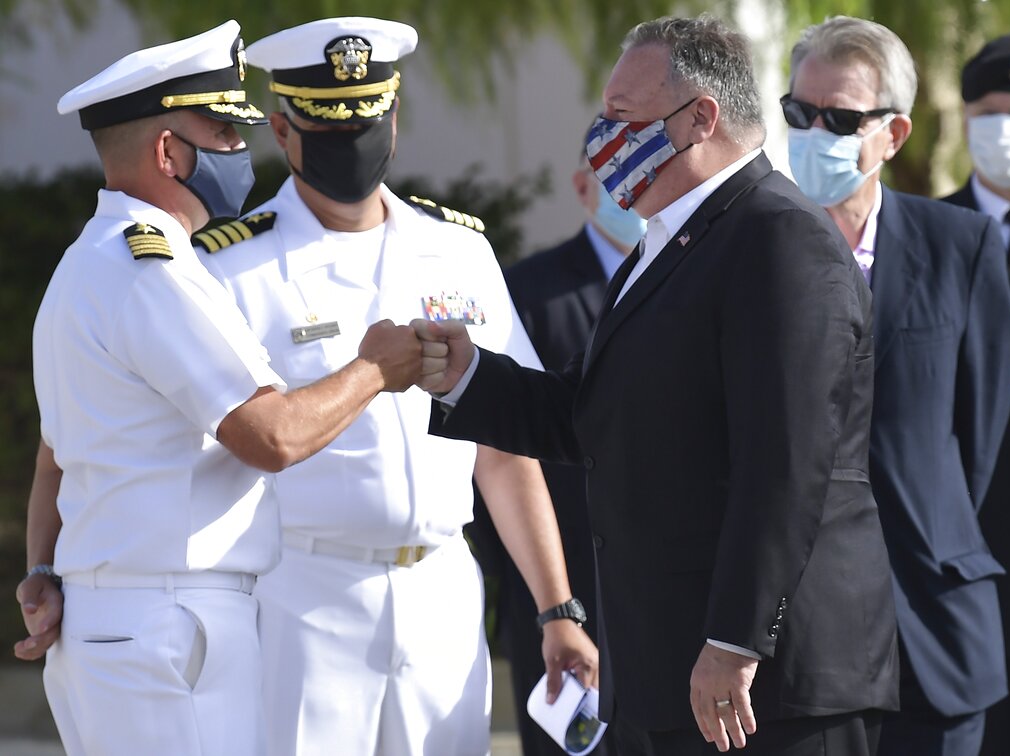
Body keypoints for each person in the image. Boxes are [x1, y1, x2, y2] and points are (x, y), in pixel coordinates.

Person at [416, 14, 899, 755]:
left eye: (623, 118)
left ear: (700, 118)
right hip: (673, 670)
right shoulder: (672, 239)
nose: (605, 137)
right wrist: (462, 373)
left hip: (767, 688)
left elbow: (786, 464)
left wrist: (735, 641)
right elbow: (593, 416)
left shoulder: (779, 239)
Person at [15, 19, 432, 756]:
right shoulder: (154, 275)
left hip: (121, 619)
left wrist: (44, 569)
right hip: (170, 623)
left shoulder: (86, 264)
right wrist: (376, 368)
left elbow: (55, 455)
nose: (243, 153)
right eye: (224, 135)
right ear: (169, 152)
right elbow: (269, 437)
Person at [194, 17, 598, 756]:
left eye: (368, 124)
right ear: (283, 132)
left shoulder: (458, 251)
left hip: (441, 590)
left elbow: (505, 454)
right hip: (304, 596)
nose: (355, 148)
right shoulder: (230, 267)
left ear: (394, 120)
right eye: (329, 131)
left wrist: (556, 608)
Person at [783, 17, 1010, 756]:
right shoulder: (751, 253)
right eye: (800, 114)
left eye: (842, 119)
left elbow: (977, 434)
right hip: (798, 643)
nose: (816, 133)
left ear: (894, 133)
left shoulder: (961, 244)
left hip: (933, 622)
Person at [474, 143, 642, 755]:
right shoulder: (527, 291)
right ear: (581, 188)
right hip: (563, 585)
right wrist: (535, 589)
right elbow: (495, 445)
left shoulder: (689, 278)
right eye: (614, 178)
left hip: (663, 589)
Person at [940, 33, 1010, 756]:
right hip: (966, 541)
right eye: (995, 112)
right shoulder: (929, 237)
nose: (1009, 130)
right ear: (966, 119)